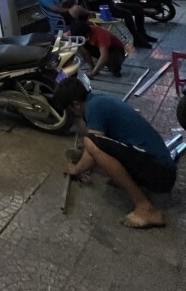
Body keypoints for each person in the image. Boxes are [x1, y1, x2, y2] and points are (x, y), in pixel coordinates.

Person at [54, 77, 176, 228]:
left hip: (160, 173)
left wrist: (77, 169)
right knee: (91, 146)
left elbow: (94, 145)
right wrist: (88, 166)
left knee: (90, 142)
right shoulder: (97, 99)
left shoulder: (94, 107)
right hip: (159, 168)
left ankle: (145, 208)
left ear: (75, 104)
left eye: (70, 110)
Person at [61, 0, 126, 78]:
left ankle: (112, 67)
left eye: (86, 36)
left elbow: (104, 56)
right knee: (80, 45)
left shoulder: (100, 33)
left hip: (115, 50)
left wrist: (93, 73)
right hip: (96, 47)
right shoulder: (75, 31)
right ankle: (92, 66)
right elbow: (62, 37)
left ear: (88, 32)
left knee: (112, 65)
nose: (85, 37)